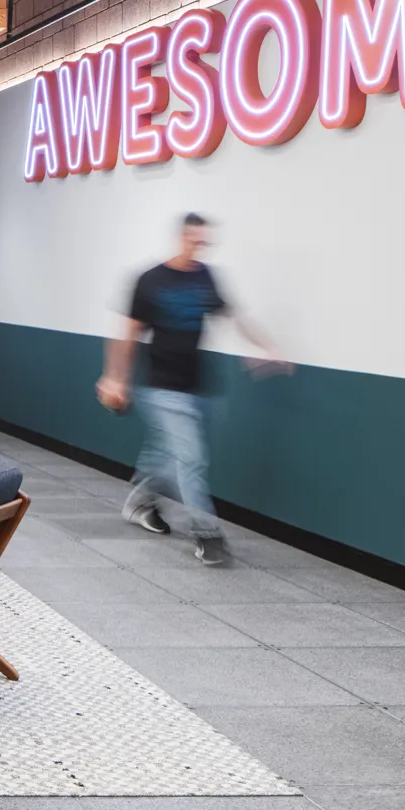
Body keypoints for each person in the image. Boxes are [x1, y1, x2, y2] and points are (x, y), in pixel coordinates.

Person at [95, 213, 289, 565]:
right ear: (181, 238)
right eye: (194, 241)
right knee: (191, 458)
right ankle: (206, 533)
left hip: (199, 386)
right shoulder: (151, 280)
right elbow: (129, 333)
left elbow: (233, 316)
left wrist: (265, 347)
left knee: (170, 455)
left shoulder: (205, 277)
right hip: (162, 387)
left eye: (204, 243)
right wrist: (114, 377)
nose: (199, 248)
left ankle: (141, 500)